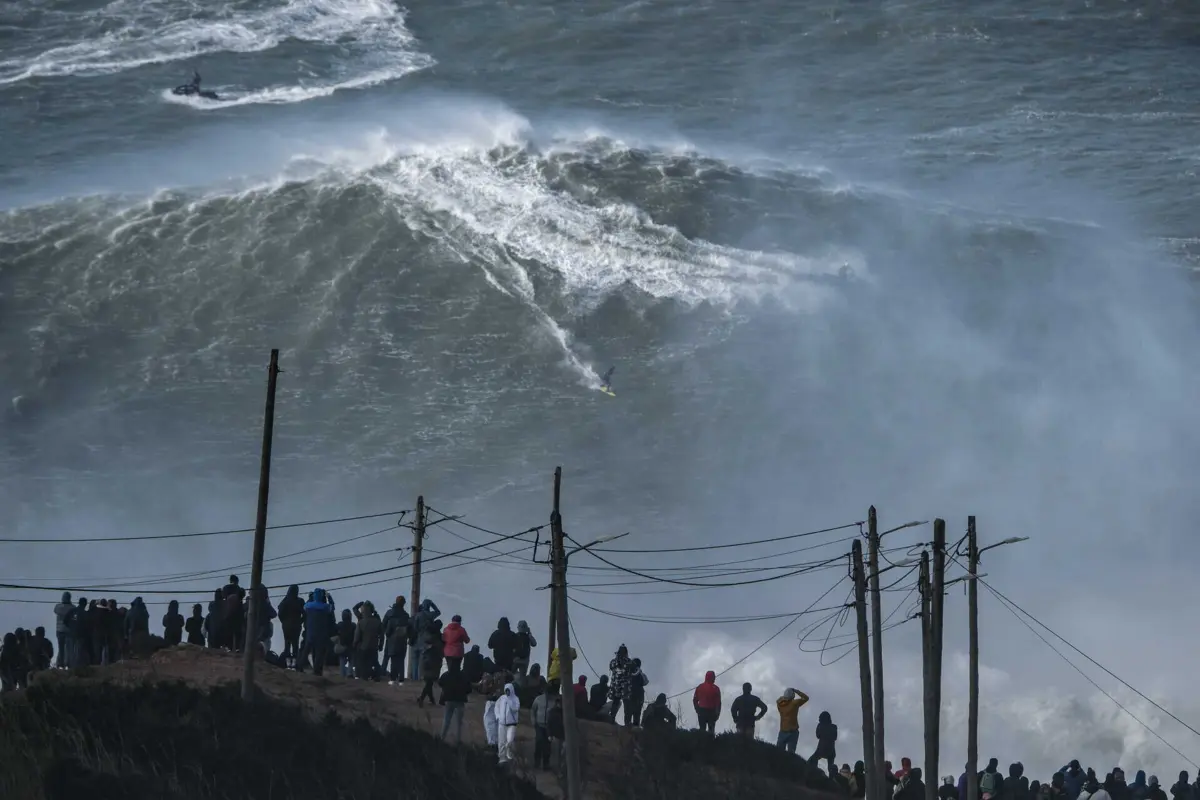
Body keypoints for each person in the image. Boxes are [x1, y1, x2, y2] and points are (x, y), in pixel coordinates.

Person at [438, 661, 471, 745]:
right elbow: (469, 689)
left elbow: (440, 683)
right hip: (460, 701)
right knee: (459, 722)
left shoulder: (446, 675)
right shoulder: (463, 675)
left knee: (446, 720)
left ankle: (442, 737)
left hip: (448, 700)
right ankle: (458, 740)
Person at [382, 596, 410, 684]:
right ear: (403, 603)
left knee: (389, 658)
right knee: (401, 659)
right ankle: (401, 679)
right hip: (402, 640)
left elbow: (383, 625)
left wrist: (386, 633)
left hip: (391, 640)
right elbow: (408, 628)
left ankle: (387, 676)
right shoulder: (405, 615)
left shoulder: (389, 613)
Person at [277, 585, 304, 668]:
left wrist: (284, 622)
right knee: (295, 644)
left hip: (286, 626)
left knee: (287, 644)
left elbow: (280, 613)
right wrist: (300, 621)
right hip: (296, 625)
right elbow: (305, 613)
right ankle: (295, 663)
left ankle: (288, 663)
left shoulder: (285, 601)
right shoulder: (300, 601)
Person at [775, 687, 810, 752]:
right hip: (793, 731)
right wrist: (796, 691)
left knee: (778, 752)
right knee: (791, 754)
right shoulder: (794, 703)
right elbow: (806, 698)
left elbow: (781, 699)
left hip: (782, 731)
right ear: (792, 695)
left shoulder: (779, 704)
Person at [531, 683, 556, 770]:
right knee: (539, 742)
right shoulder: (538, 699)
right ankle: (536, 762)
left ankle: (546, 764)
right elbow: (533, 710)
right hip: (539, 725)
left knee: (547, 746)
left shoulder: (554, 701)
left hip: (549, 727)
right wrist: (533, 721)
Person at [495, 682, 520, 765]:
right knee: (501, 741)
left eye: (508, 690)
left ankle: (509, 755)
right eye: (506, 690)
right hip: (502, 723)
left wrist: (509, 701)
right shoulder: (502, 698)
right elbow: (497, 707)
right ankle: (502, 758)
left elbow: (515, 709)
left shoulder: (515, 699)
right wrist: (498, 716)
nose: (507, 692)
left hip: (512, 724)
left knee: (509, 741)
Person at [692, 670, 722, 735]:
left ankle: (702, 743)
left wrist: (697, 709)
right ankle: (710, 743)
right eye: (714, 677)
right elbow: (718, 703)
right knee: (711, 731)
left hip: (702, 711)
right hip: (711, 712)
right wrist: (717, 713)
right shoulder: (716, 688)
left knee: (702, 730)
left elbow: (695, 700)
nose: (714, 678)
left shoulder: (700, 687)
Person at [608, 644, 632, 722]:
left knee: (615, 702)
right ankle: (627, 723)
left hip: (616, 686)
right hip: (625, 687)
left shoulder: (613, 661)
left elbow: (611, 668)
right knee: (627, 705)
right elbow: (632, 671)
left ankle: (611, 719)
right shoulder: (629, 662)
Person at [625, 657, 649, 726]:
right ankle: (631, 728)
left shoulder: (638, 673)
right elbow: (646, 682)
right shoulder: (630, 672)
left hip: (634, 695)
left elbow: (645, 682)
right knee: (633, 714)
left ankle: (630, 728)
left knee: (632, 714)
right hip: (634, 695)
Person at [53, 591, 73, 668]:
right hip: (68, 630)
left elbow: (55, 610)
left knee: (60, 648)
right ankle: (67, 663)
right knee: (68, 648)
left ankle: (60, 663)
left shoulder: (58, 607)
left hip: (59, 630)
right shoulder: (72, 607)